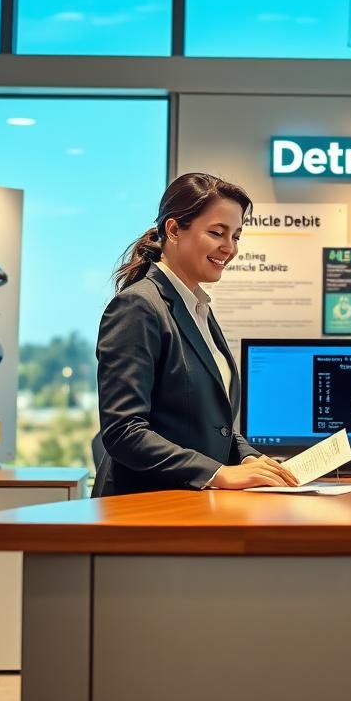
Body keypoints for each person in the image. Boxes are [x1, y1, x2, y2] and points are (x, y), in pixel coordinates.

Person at [92, 172, 298, 496]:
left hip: (193, 503)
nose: (229, 248)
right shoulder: (138, 307)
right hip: (144, 508)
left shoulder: (197, 306)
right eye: (217, 233)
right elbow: (123, 431)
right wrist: (218, 473)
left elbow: (212, 423)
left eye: (237, 236)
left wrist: (248, 460)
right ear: (173, 230)